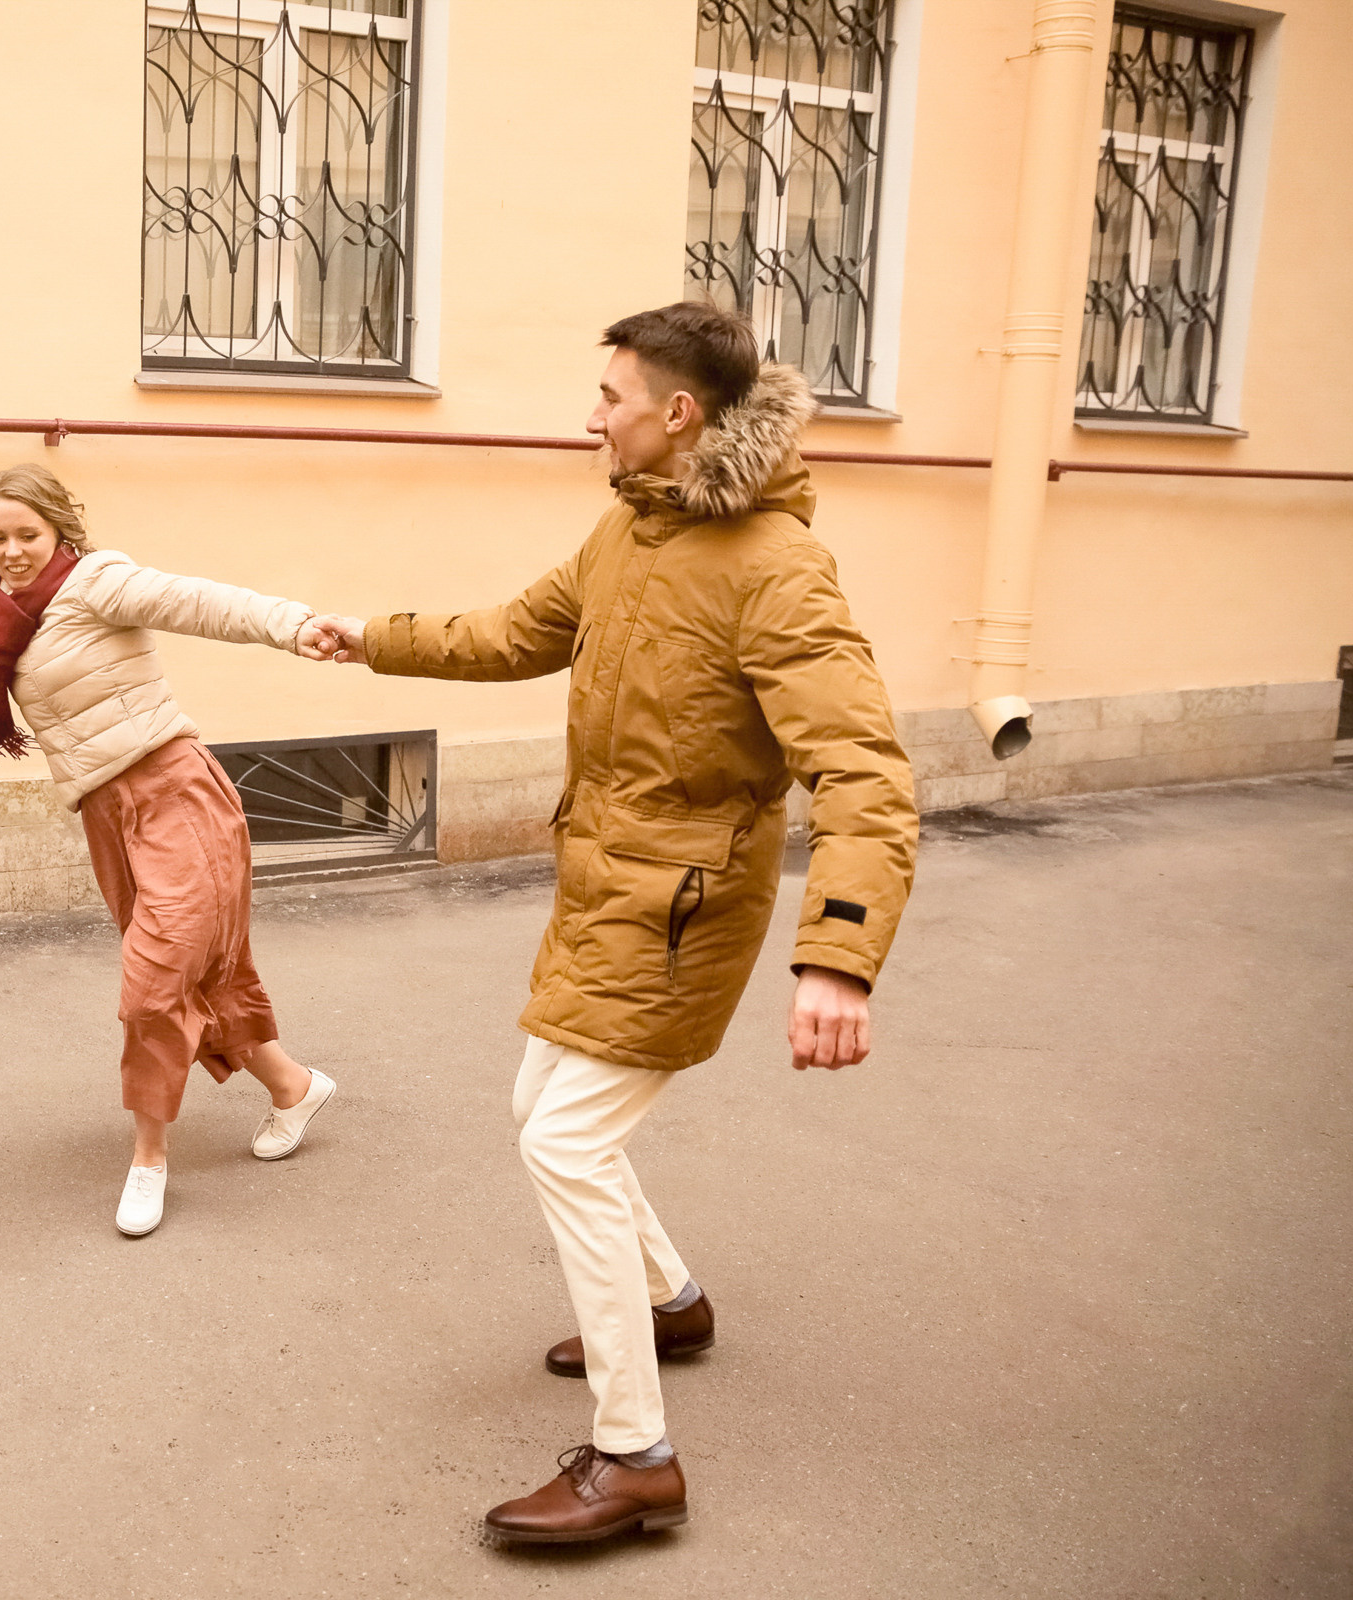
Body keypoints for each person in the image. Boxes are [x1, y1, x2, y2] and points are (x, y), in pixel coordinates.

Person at [307, 302, 918, 1543]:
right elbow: (512, 633)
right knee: (540, 1105)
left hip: (686, 907)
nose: (593, 416)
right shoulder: (628, 530)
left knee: (566, 1141)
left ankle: (635, 1457)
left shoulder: (776, 569)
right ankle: (672, 1301)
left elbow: (863, 771)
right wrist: (371, 640)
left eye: (611, 396)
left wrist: (839, 958)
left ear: (678, 414)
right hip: (603, 885)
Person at [0, 464, 342, 1238]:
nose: (12, 550)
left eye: (27, 534)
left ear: (59, 530)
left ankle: (149, 1158)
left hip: (176, 795)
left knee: (152, 985)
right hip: (108, 816)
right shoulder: (6, 627)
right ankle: (292, 1086)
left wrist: (293, 625)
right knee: (194, 971)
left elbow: (197, 601)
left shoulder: (97, 583)